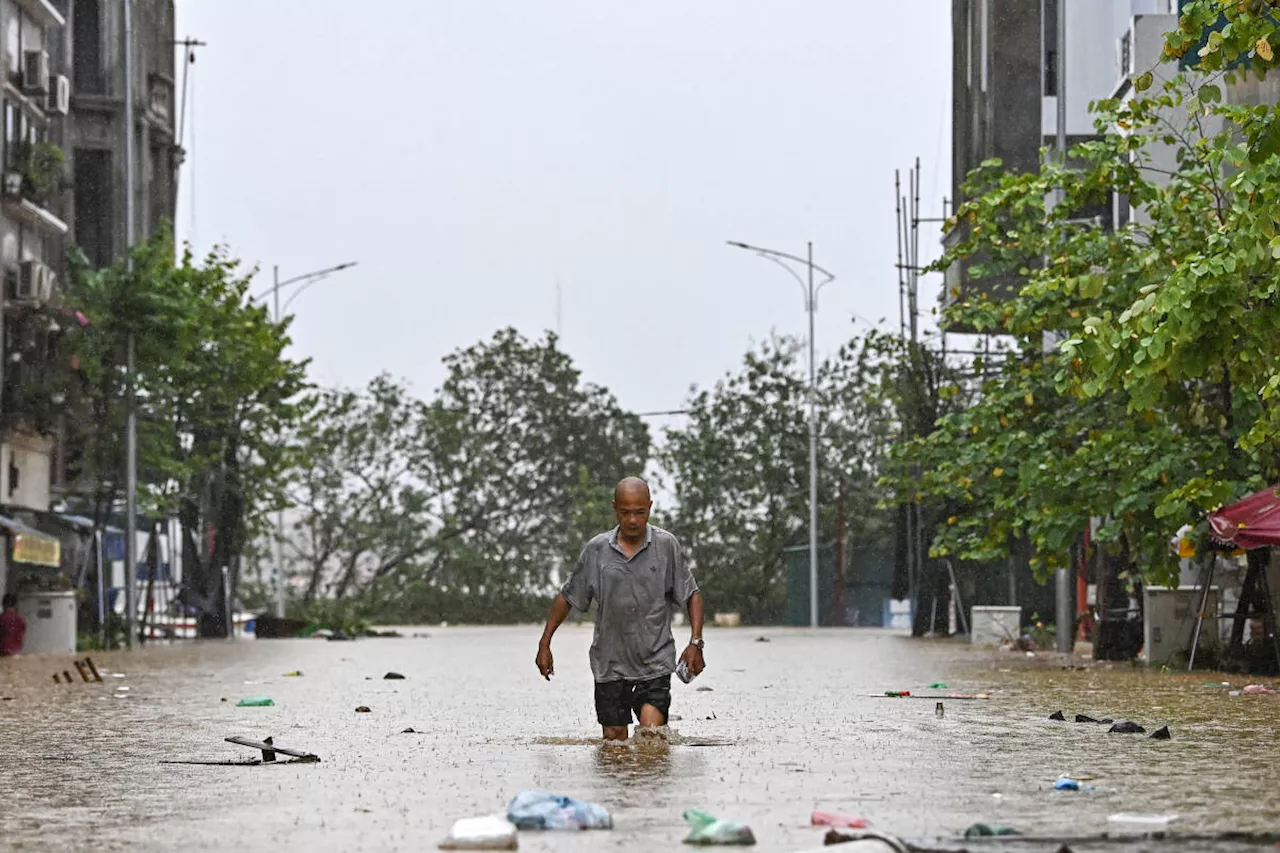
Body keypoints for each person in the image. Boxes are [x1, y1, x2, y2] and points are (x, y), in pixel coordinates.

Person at [536, 476, 705, 741]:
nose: (633, 520)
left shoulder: (666, 546)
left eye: (640, 512)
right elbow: (567, 597)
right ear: (615, 509)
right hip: (610, 664)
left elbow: (692, 594)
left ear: (649, 508)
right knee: (615, 746)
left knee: (652, 739)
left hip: (655, 661)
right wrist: (545, 643)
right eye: (625, 513)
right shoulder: (596, 550)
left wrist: (696, 642)